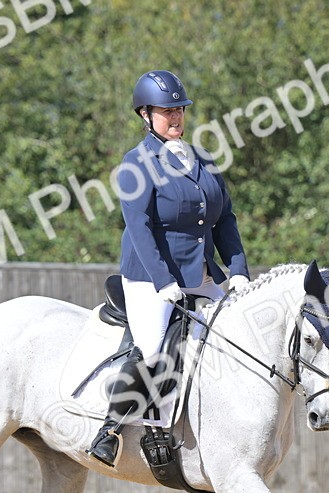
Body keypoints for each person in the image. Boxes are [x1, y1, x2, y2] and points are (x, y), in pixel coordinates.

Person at [87, 69, 250, 468]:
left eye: (179, 109)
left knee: (243, 330)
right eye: (166, 111)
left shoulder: (204, 160)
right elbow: (139, 228)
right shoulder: (136, 163)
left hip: (202, 274)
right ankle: (110, 431)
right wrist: (163, 281)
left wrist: (238, 269)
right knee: (154, 345)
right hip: (150, 277)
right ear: (145, 114)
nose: (175, 117)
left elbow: (224, 219)